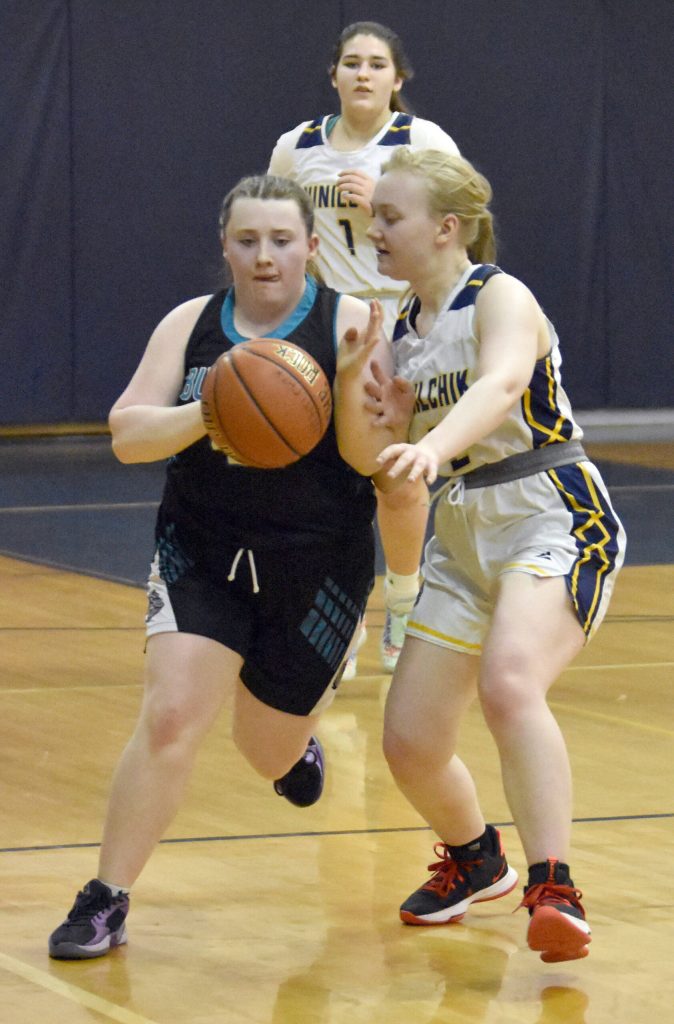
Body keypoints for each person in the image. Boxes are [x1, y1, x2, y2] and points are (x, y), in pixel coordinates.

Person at [48, 174, 397, 960]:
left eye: (281, 240)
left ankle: (293, 750)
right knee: (171, 715)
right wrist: (213, 409)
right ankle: (107, 896)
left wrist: (346, 379)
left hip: (317, 564)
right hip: (202, 548)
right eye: (248, 240)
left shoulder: (351, 324)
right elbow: (127, 435)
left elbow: (371, 462)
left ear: (312, 246)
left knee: (263, 749)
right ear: (225, 247)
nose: (265, 255)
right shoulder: (191, 323)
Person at [336, 146, 626, 963]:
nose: (374, 230)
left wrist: (431, 447)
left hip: (549, 508)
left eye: (390, 216)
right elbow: (374, 459)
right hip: (462, 533)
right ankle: (477, 861)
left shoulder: (500, 296)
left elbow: (500, 385)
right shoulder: (399, 327)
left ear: (447, 227)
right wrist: (369, 396)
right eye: (372, 217)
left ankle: (555, 887)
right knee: (411, 741)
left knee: (509, 681)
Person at [269, 21, 461, 675]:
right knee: (326, 482)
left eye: (377, 64)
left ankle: (405, 600)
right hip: (331, 323)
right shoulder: (297, 147)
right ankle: (342, 612)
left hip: (405, 321)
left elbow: (463, 221)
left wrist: (383, 202)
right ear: (333, 75)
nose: (363, 73)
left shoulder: (421, 141)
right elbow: (276, 230)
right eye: (351, 62)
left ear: (397, 78)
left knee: (395, 477)